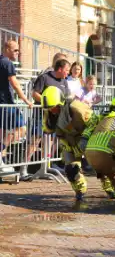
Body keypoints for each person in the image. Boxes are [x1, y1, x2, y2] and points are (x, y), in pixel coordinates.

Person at [41, 86, 99, 201]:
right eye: (49, 109)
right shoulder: (50, 114)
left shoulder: (76, 107)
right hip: (69, 144)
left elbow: (94, 121)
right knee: (71, 170)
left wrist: (85, 138)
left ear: (61, 103)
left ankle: (113, 190)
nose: (52, 111)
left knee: (100, 167)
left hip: (87, 140)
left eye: (54, 107)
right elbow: (47, 129)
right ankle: (80, 193)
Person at [25, 57, 71, 180]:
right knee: (35, 141)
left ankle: (44, 167)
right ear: (60, 69)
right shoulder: (44, 78)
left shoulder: (64, 81)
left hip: (55, 117)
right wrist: (49, 104)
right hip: (40, 115)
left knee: (49, 143)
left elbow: (65, 97)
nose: (68, 73)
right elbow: (35, 93)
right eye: (67, 70)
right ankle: (23, 169)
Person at [0, 40, 33, 174]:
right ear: (7, 49)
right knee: (22, 129)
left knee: (2, 133)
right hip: (7, 103)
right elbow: (15, 84)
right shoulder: (7, 63)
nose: (18, 53)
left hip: (2, 103)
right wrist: (26, 100)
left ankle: (2, 160)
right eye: (15, 50)